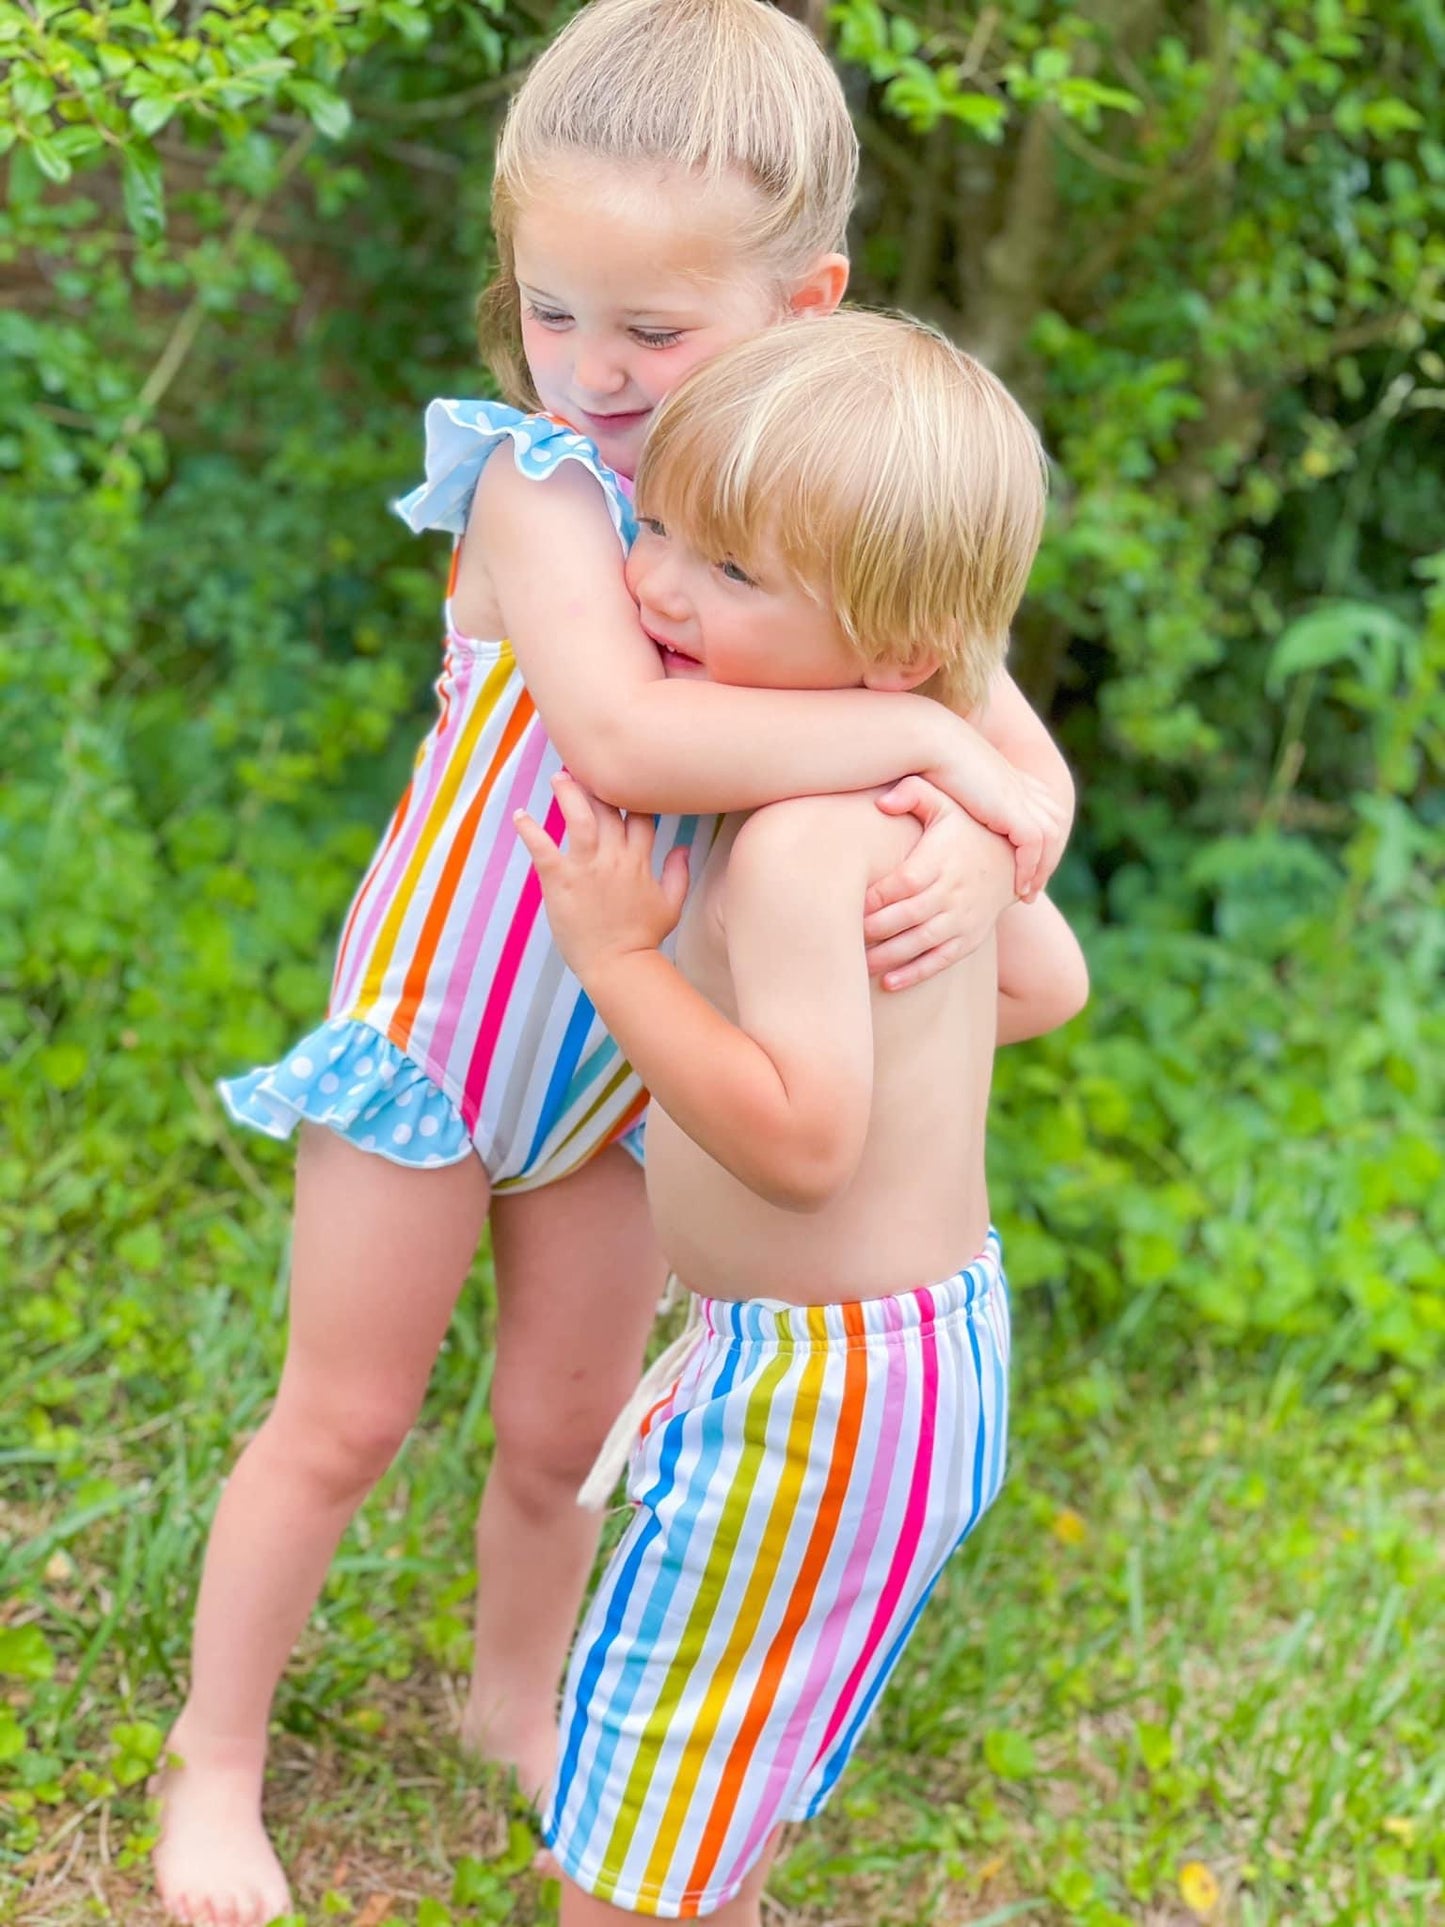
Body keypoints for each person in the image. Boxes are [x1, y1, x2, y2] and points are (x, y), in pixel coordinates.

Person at [151, 4, 1074, 1922]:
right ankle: (211, 1761)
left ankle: (516, 1703)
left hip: (634, 1054)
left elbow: (1017, 753)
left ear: (803, 298)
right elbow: (633, 749)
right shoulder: (540, 484)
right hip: (448, 1027)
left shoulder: (799, 504)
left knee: (573, 1429)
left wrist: (992, 845)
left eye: (649, 334)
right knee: (347, 1413)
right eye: (549, 310)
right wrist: (918, 753)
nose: (587, 371)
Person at [517, 310, 1087, 1925]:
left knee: (640, 1809)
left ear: (898, 649)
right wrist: (974, 865)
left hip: (820, 1391)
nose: (659, 589)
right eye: (664, 534)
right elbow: (1046, 989)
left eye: (732, 575)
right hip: (920, 1364)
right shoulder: (905, 813)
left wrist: (622, 961)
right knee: (722, 1758)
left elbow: (802, 1138)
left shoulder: (787, 846)